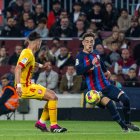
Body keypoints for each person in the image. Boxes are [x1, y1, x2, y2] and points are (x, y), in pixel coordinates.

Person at [75, 32, 139, 131]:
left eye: (91, 41)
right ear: (83, 43)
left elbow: (100, 63)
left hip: (106, 85)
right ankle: (124, 127)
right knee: (110, 105)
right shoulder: (80, 56)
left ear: (94, 42)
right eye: (87, 41)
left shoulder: (96, 53)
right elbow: (79, 71)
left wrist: (106, 71)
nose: (89, 43)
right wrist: (90, 65)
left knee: (125, 99)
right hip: (95, 90)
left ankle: (127, 122)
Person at [15, 31, 67, 133]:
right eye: (40, 42)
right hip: (25, 87)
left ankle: (41, 123)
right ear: (37, 42)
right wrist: (19, 86)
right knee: (52, 97)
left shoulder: (28, 52)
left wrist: (41, 66)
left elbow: (31, 62)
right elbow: (18, 68)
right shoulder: (27, 53)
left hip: (29, 84)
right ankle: (54, 126)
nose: (40, 45)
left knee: (52, 96)